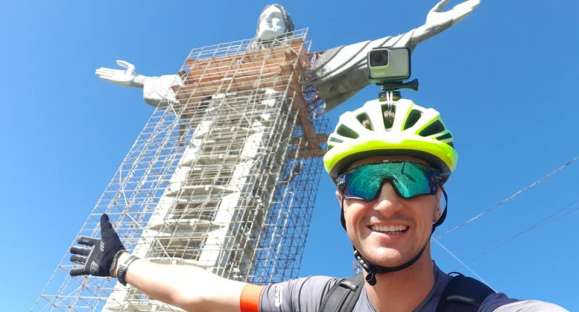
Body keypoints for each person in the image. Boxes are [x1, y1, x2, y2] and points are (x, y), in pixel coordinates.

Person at [70, 97, 568, 311]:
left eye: (411, 178)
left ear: (438, 199)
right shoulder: (321, 300)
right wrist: (122, 263)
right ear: (342, 200)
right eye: (366, 181)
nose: (387, 202)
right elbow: (203, 292)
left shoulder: (482, 310)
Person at [94, 1, 480, 110]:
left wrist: (425, 30)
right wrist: (141, 79)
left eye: (278, 19)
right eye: (265, 17)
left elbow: (363, 53)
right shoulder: (226, 68)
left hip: (260, 141)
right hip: (212, 138)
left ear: (288, 29)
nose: (270, 22)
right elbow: (185, 84)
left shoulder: (306, 64)